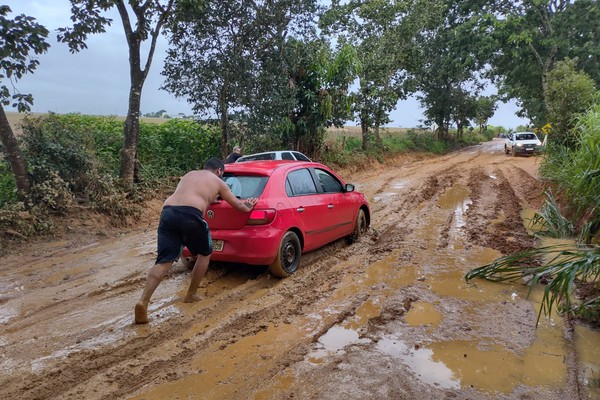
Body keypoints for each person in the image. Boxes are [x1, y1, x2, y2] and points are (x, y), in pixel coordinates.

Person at [134, 157, 258, 324]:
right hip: (190, 214)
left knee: (164, 261)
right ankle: (191, 294)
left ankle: (143, 301)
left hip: (168, 212)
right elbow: (238, 206)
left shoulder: (188, 175)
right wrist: (249, 205)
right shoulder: (219, 182)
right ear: (219, 171)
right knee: (204, 253)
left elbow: (195, 194)